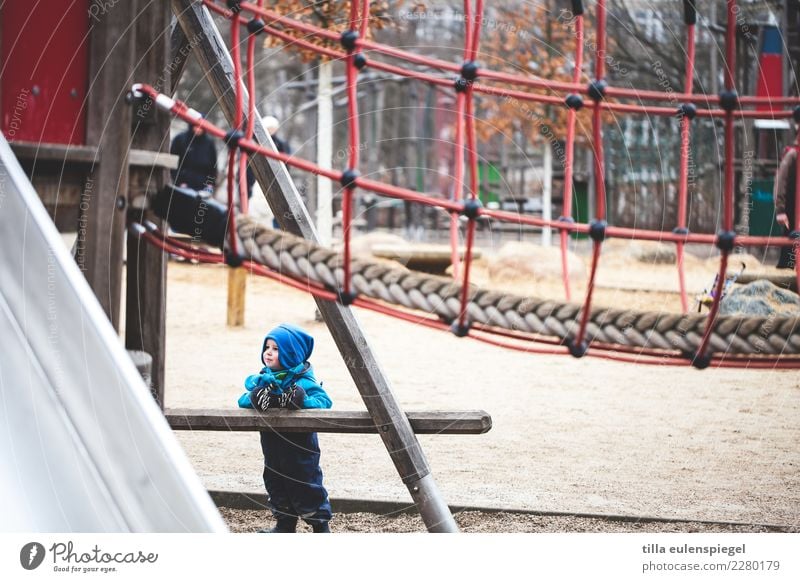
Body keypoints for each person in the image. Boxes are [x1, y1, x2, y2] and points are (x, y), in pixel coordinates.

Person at [238, 324, 333, 533]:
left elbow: (324, 401)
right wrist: (258, 397)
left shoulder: (303, 380)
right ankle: (284, 525)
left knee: (306, 485)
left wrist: (300, 400)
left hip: (300, 450)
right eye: (267, 347)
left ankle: (320, 527)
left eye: (276, 348)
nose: (268, 352)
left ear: (291, 354)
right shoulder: (264, 378)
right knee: (275, 482)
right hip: (273, 446)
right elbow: (242, 400)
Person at [170, 119, 218, 193]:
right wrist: (179, 182)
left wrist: (210, 184)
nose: (198, 129)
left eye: (201, 127)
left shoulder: (209, 144)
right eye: (196, 126)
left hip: (202, 188)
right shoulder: (180, 140)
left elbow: (213, 167)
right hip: (183, 185)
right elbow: (173, 164)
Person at [773, 143, 798, 269]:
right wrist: (781, 209)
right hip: (792, 208)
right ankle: (785, 270)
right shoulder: (793, 154)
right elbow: (781, 181)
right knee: (791, 241)